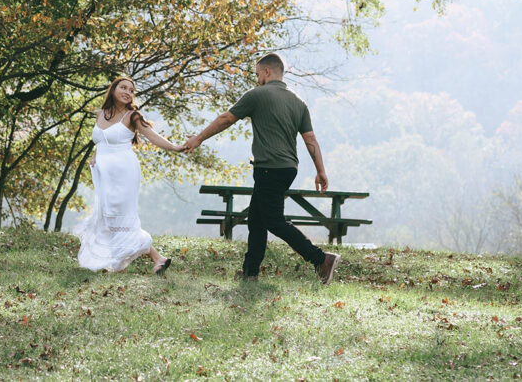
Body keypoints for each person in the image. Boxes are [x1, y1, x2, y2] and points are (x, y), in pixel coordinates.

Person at [183, 53, 339, 283]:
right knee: (257, 219)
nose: (257, 79)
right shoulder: (298, 102)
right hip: (288, 168)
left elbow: (227, 118)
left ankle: (320, 259)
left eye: (257, 74)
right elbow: (310, 139)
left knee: (274, 221)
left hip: (269, 168)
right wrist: (321, 170)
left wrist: (198, 139)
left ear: (267, 72)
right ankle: (250, 273)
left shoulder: (257, 95)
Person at [74, 76, 180, 275]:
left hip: (124, 172)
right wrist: (96, 155)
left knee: (121, 217)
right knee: (108, 216)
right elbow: (101, 140)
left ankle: (123, 263)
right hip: (104, 173)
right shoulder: (101, 113)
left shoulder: (133, 116)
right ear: (113, 89)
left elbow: (152, 136)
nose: (127, 92)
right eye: (123, 87)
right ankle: (156, 259)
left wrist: (176, 147)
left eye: (131, 90)